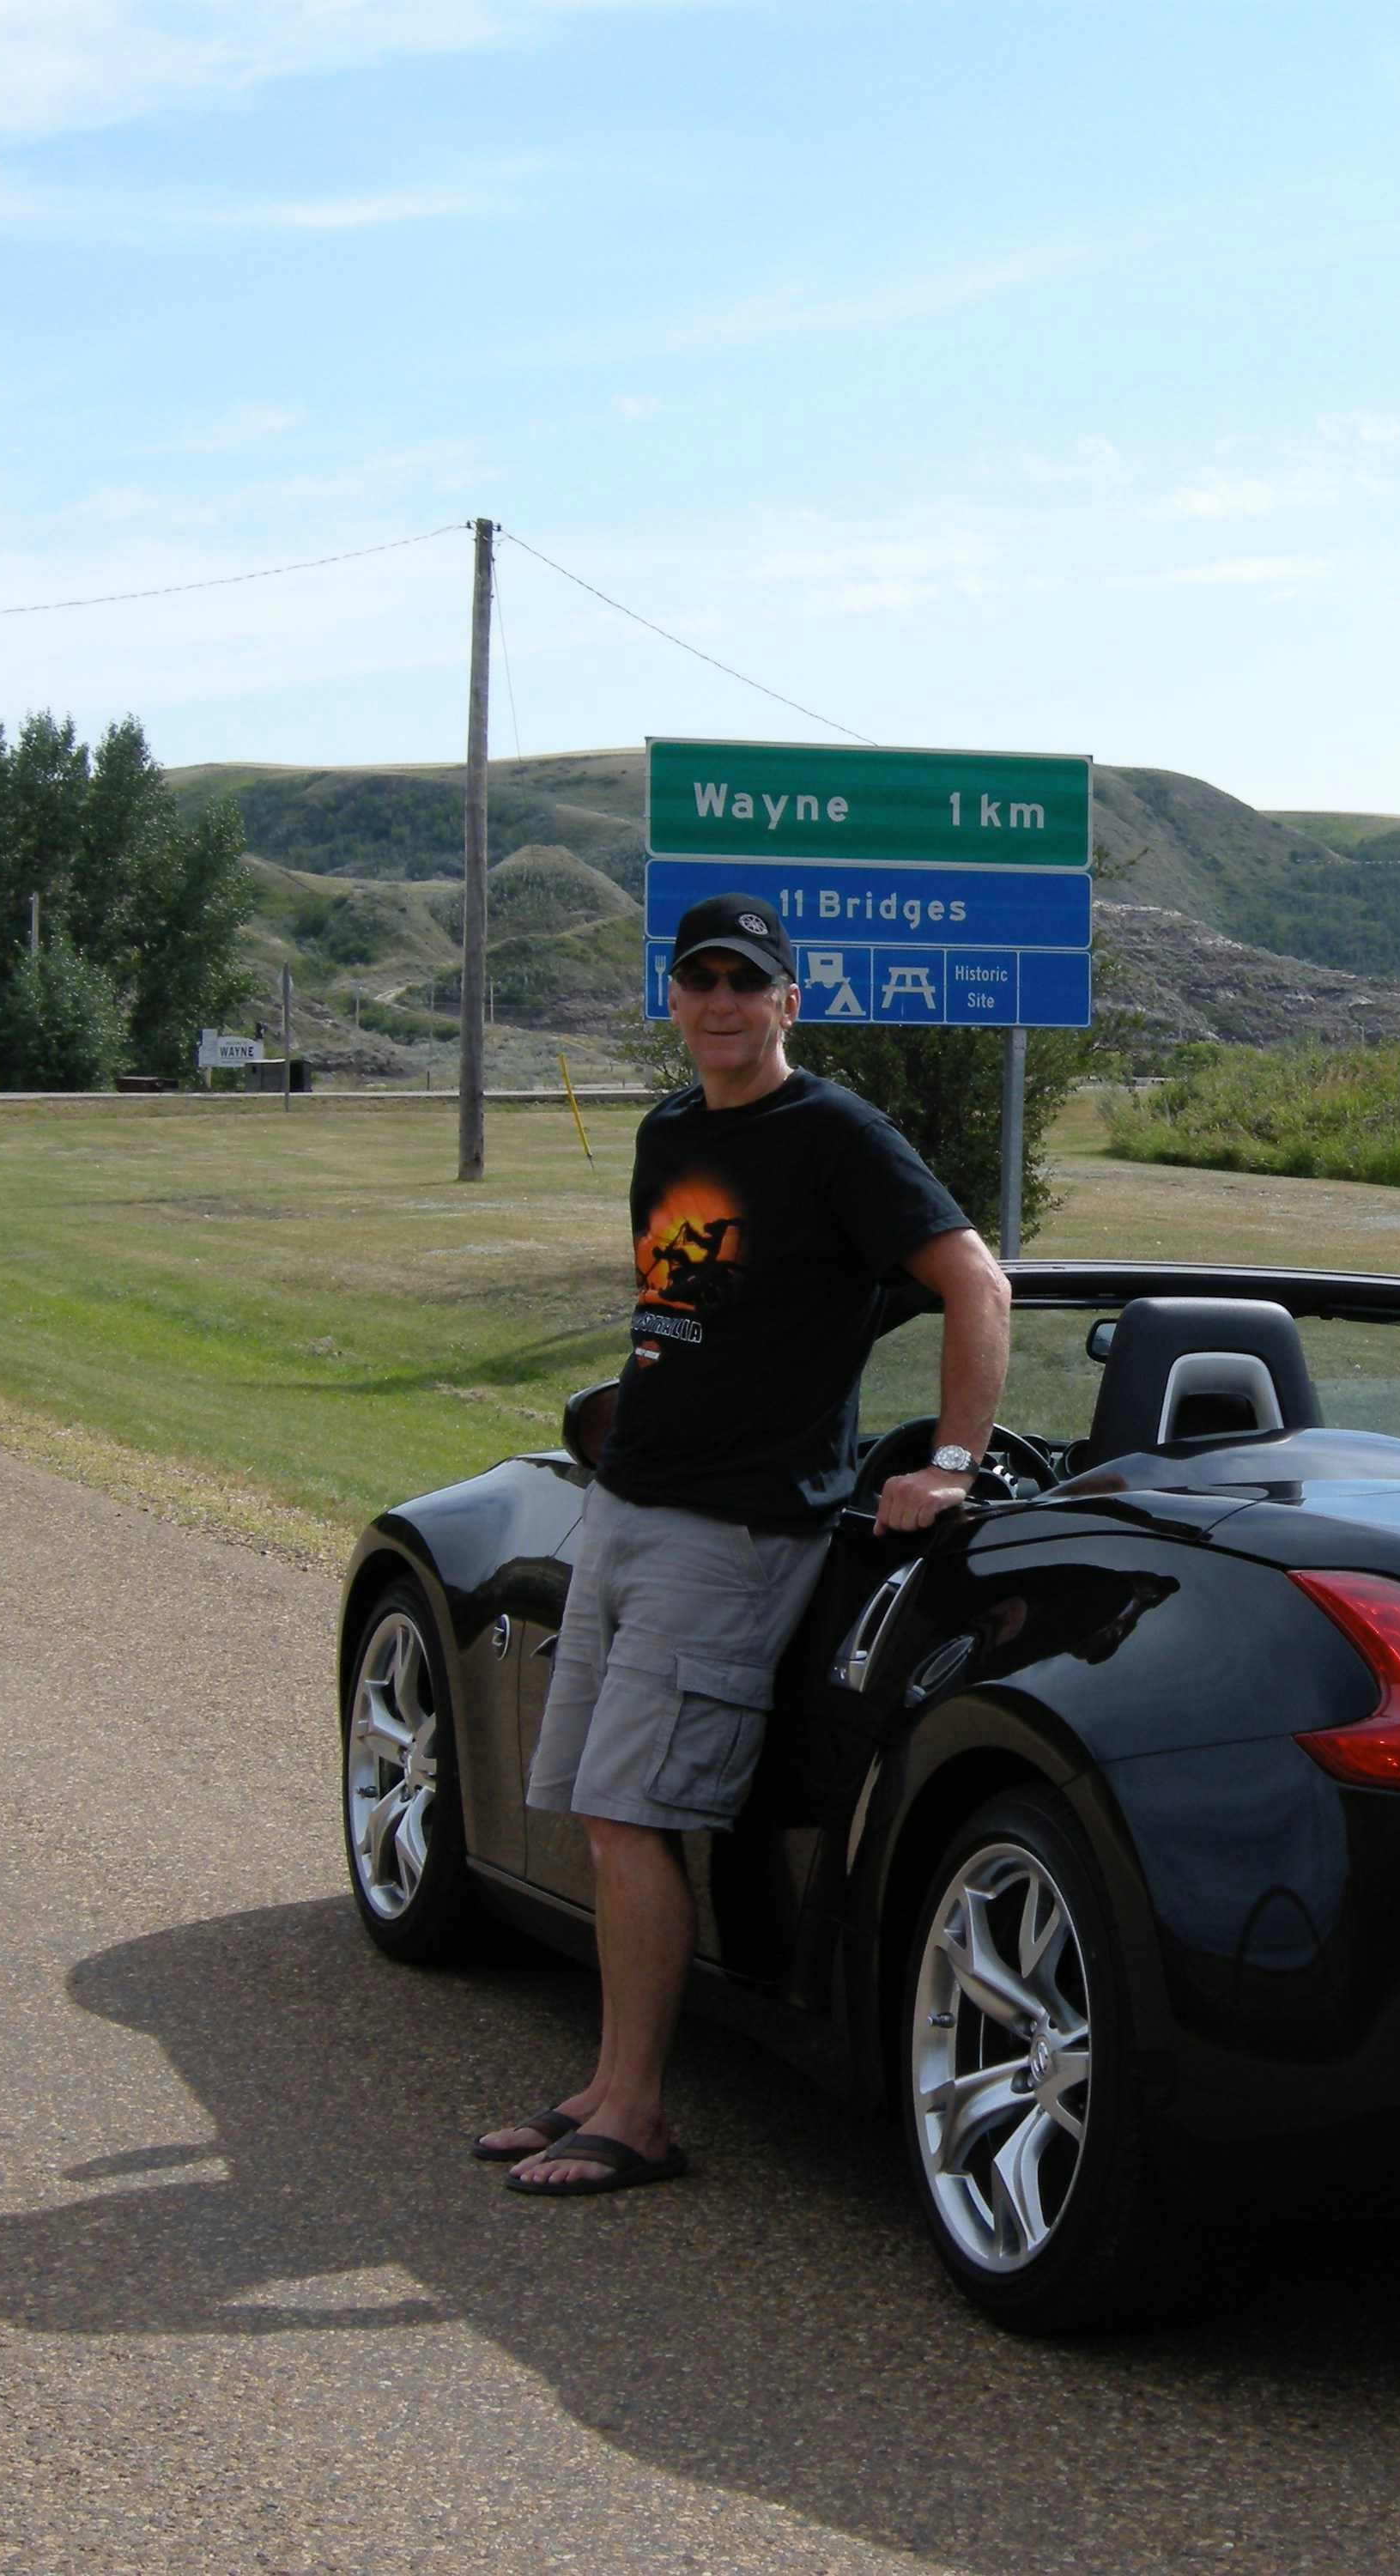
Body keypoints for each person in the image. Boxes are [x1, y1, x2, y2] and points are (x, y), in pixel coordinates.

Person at [478, 891, 1012, 2196]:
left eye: (746, 981)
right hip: (632, 1504)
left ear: (790, 1000)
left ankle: (643, 2116)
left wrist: (948, 1465)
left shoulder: (836, 1136)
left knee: (632, 1807)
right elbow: (682, 1312)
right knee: (604, 1813)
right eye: (696, 979)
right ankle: (607, 2085)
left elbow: (976, 1283)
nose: (719, 1001)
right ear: (674, 999)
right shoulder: (670, 1132)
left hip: (737, 1527)